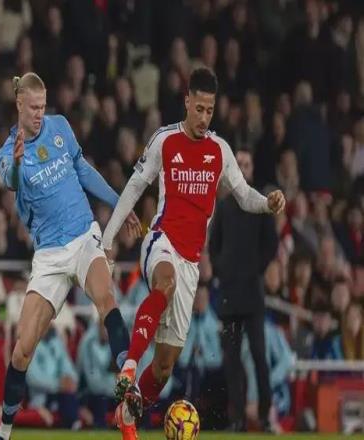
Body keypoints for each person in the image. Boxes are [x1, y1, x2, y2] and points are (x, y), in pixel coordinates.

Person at [102, 67, 285, 439]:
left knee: (165, 368)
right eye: (198, 108)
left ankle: (128, 414)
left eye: (210, 110)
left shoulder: (219, 150)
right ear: (187, 101)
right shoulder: (165, 141)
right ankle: (129, 366)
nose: (204, 117)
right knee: (164, 282)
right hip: (161, 240)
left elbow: (243, 194)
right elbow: (134, 187)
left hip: (191, 263)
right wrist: (106, 241)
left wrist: (267, 203)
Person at [0, 72, 140, 440]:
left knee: (106, 297)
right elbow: (11, 182)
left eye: (43, 106)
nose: (39, 114)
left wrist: (120, 204)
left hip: (84, 235)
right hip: (50, 255)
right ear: (19, 104)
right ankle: (3, 432)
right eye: (33, 107)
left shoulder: (60, 127)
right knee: (22, 350)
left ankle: (127, 378)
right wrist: (19, 163)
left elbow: (82, 170)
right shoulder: (7, 154)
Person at [209, 148, 278, 432]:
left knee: (260, 357)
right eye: (238, 164)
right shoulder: (224, 207)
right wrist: (223, 269)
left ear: (252, 169)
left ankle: (264, 416)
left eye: (246, 164)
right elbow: (214, 246)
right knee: (232, 362)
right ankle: (237, 419)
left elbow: (271, 244)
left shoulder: (261, 203)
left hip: (251, 293)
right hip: (229, 296)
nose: (242, 168)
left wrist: (254, 270)